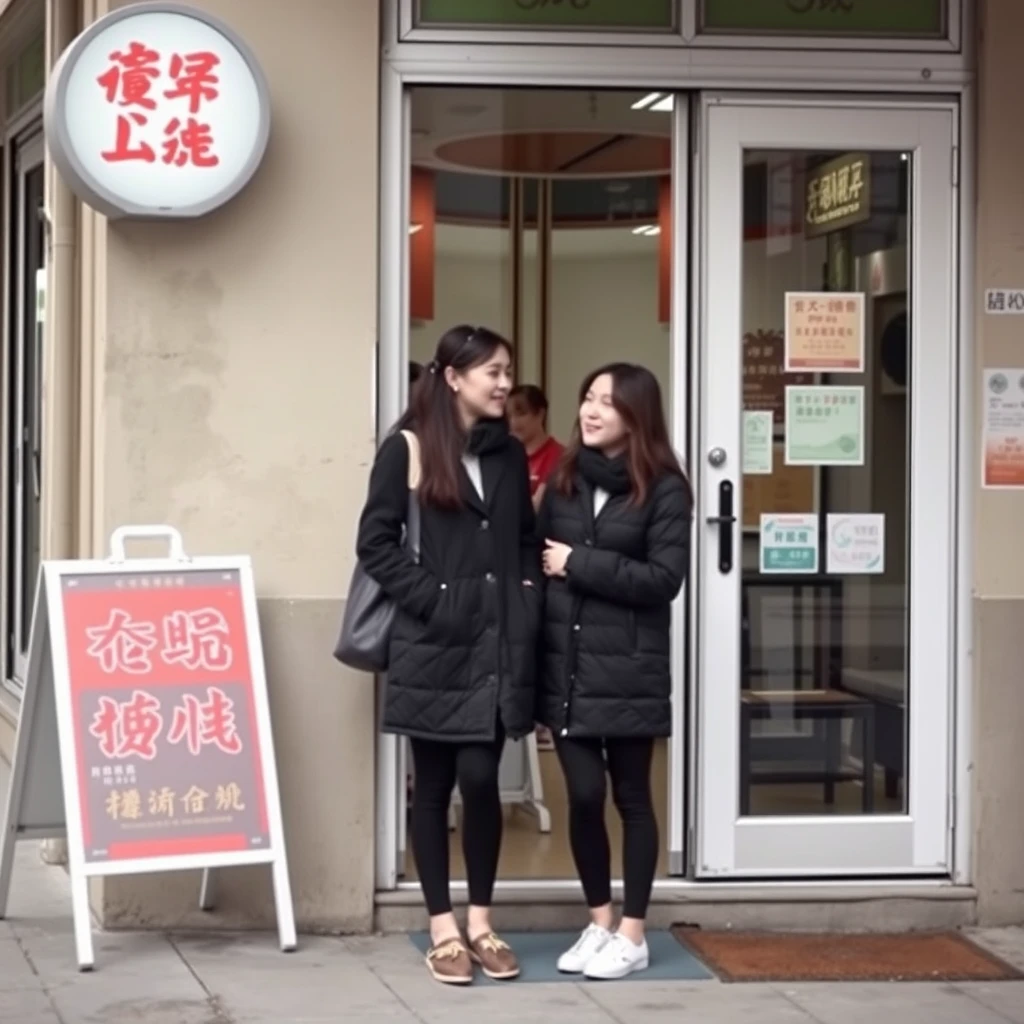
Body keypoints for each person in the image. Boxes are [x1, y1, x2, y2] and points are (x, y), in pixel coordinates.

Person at [356, 324, 541, 986]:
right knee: (432, 789)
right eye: (492, 371)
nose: (503, 382)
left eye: (507, 370)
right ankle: (441, 925)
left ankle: (483, 921)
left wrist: (523, 598)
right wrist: (435, 599)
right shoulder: (404, 449)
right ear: (453, 377)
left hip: (495, 646)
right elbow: (375, 545)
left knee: (483, 782)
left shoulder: (510, 455)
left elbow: (524, 539)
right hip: (432, 644)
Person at [536, 363, 691, 980]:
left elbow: (663, 580)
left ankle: (634, 930)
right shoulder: (565, 478)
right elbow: (536, 559)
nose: (590, 410)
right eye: (587, 398)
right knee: (580, 793)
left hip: (629, 666)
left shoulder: (665, 489)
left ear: (637, 415)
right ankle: (599, 920)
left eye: (606, 401)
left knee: (631, 798)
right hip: (566, 664)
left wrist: (580, 563)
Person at [507, 384, 564, 511]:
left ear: (540, 414)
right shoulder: (505, 457)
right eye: (508, 416)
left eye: (520, 414)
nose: (513, 422)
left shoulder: (561, 457)